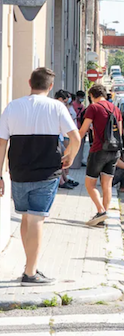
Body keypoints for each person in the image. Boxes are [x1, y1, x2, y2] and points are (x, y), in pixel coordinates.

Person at [0, 68, 81, 285]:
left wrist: (0, 174)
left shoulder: (13, 106)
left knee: (26, 217)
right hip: (47, 172)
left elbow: (1, 142)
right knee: (36, 218)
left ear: (29, 82)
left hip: (18, 171)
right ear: (51, 86)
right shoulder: (57, 107)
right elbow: (76, 137)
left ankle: (30, 266)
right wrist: (70, 157)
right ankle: (30, 273)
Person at [78, 84, 123, 227]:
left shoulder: (93, 108)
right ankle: (102, 217)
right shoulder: (116, 109)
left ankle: (101, 210)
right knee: (107, 184)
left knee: (89, 184)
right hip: (114, 150)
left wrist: (74, 143)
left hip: (98, 149)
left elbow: (83, 130)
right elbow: (119, 133)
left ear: (92, 95)